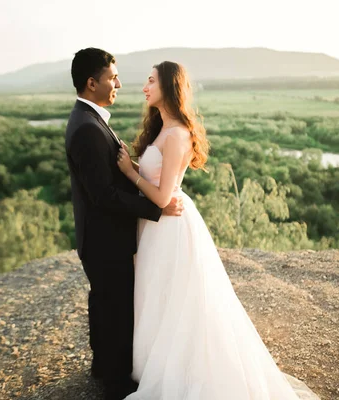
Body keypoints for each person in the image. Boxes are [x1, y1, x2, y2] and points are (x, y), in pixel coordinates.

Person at [116, 61, 302, 399]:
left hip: (169, 227)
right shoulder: (161, 128)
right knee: (154, 295)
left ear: (170, 86)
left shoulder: (177, 135)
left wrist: (129, 171)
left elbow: (161, 196)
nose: (144, 87)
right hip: (153, 227)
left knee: (174, 300)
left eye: (150, 81)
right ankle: (150, 365)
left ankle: (179, 374)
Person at [64, 48, 184, 400]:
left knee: (106, 302)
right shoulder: (87, 127)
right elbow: (103, 195)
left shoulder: (90, 119)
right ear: (91, 83)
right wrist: (156, 209)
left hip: (101, 237)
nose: (118, 83)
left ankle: (103, 366)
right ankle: (115, 383)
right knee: (115, 306)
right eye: (112, 77)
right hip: (104, 240)